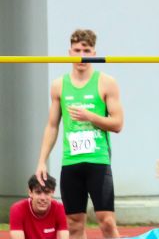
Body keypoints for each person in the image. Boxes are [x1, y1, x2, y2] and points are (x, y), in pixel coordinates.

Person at [35, 29, 124, 239]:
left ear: (94, 52)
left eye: (86, 50)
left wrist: (90, 116)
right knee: (74, 225)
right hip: (71, 162)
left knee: (107, 221)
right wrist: (41, 161)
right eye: (77, 50)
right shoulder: (59, 85)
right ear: (69, 52)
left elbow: (118, 124)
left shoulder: (106, 82)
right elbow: (52, 126)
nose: (81, 55)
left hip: (98, 160)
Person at [9, 174, 69, 239]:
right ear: (30, 193)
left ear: (52, 193)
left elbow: (64, 236)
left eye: (47, 192)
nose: (42, 198)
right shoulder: (18, 209)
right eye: (38, 192)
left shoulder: (60, 209)